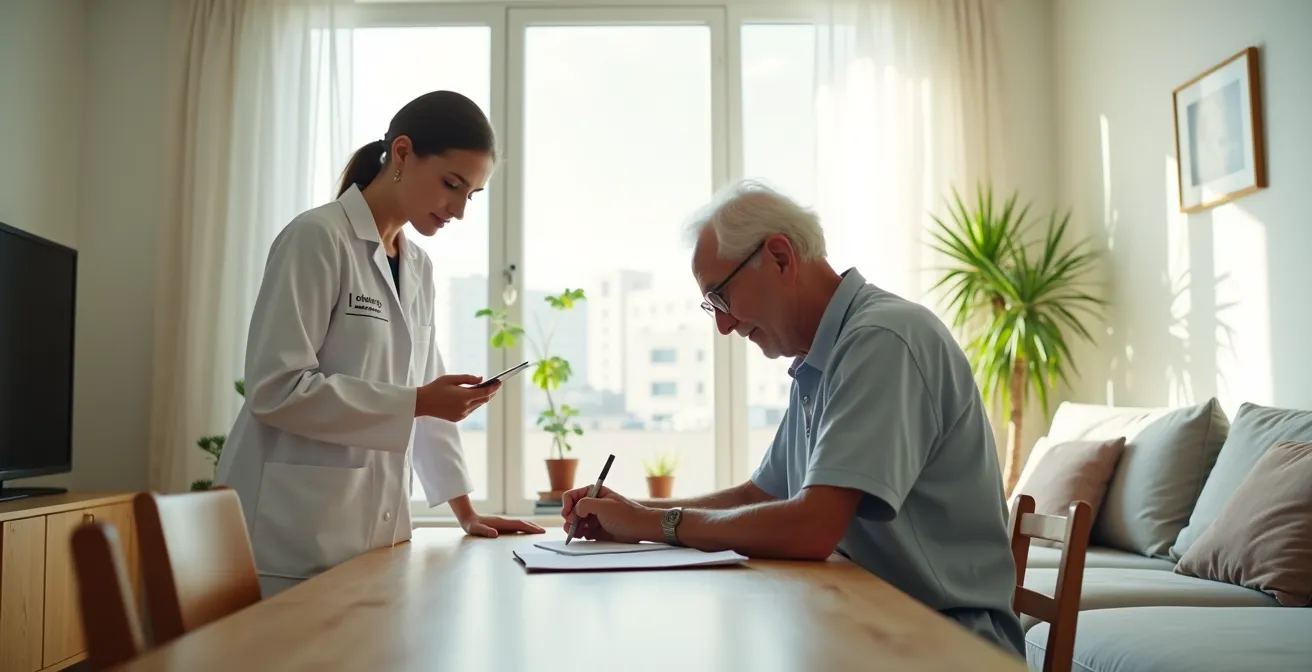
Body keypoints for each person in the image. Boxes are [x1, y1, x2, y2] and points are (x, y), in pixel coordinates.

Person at [561, 180, 1026, 657]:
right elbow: (757, 496)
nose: (723, 325)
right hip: (875, 621)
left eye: (720, 296)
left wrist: (650, 524)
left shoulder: (882, 339)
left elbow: (811, 527)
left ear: (780, 258)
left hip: (951, 642)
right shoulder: (820, 359)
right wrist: (632, 513)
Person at [216, 91, 543, 598]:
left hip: (374, 537)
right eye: (451, 185)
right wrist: (416, 401)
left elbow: (426, 398)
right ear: (404, 153)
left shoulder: (418, 267)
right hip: (292, 534)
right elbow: (275, 388)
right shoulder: (317, 238)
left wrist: (466, 512)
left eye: (472, 195)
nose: (459, 210)